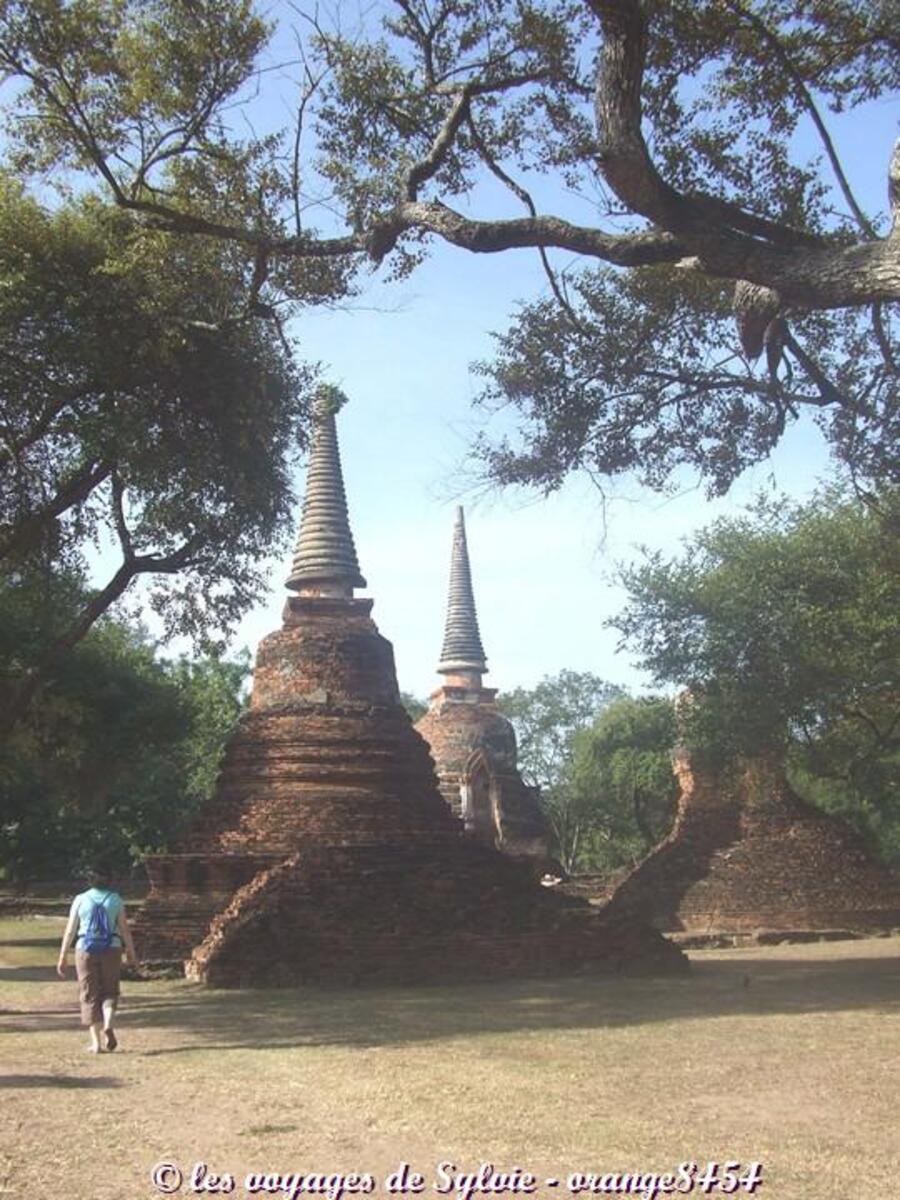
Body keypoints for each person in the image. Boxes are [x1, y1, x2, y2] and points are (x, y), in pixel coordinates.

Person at [57, 862, 138, 1053]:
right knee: (110, 990)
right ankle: (108, 1023)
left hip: (85, 948)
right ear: (109, 879)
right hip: (112, 948)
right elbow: (125, 930)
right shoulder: (115, 900)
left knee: (89, 993)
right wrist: (131, 954)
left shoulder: (80, 899)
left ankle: (96, 1043)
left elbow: (71, 930)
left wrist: (62, 955)